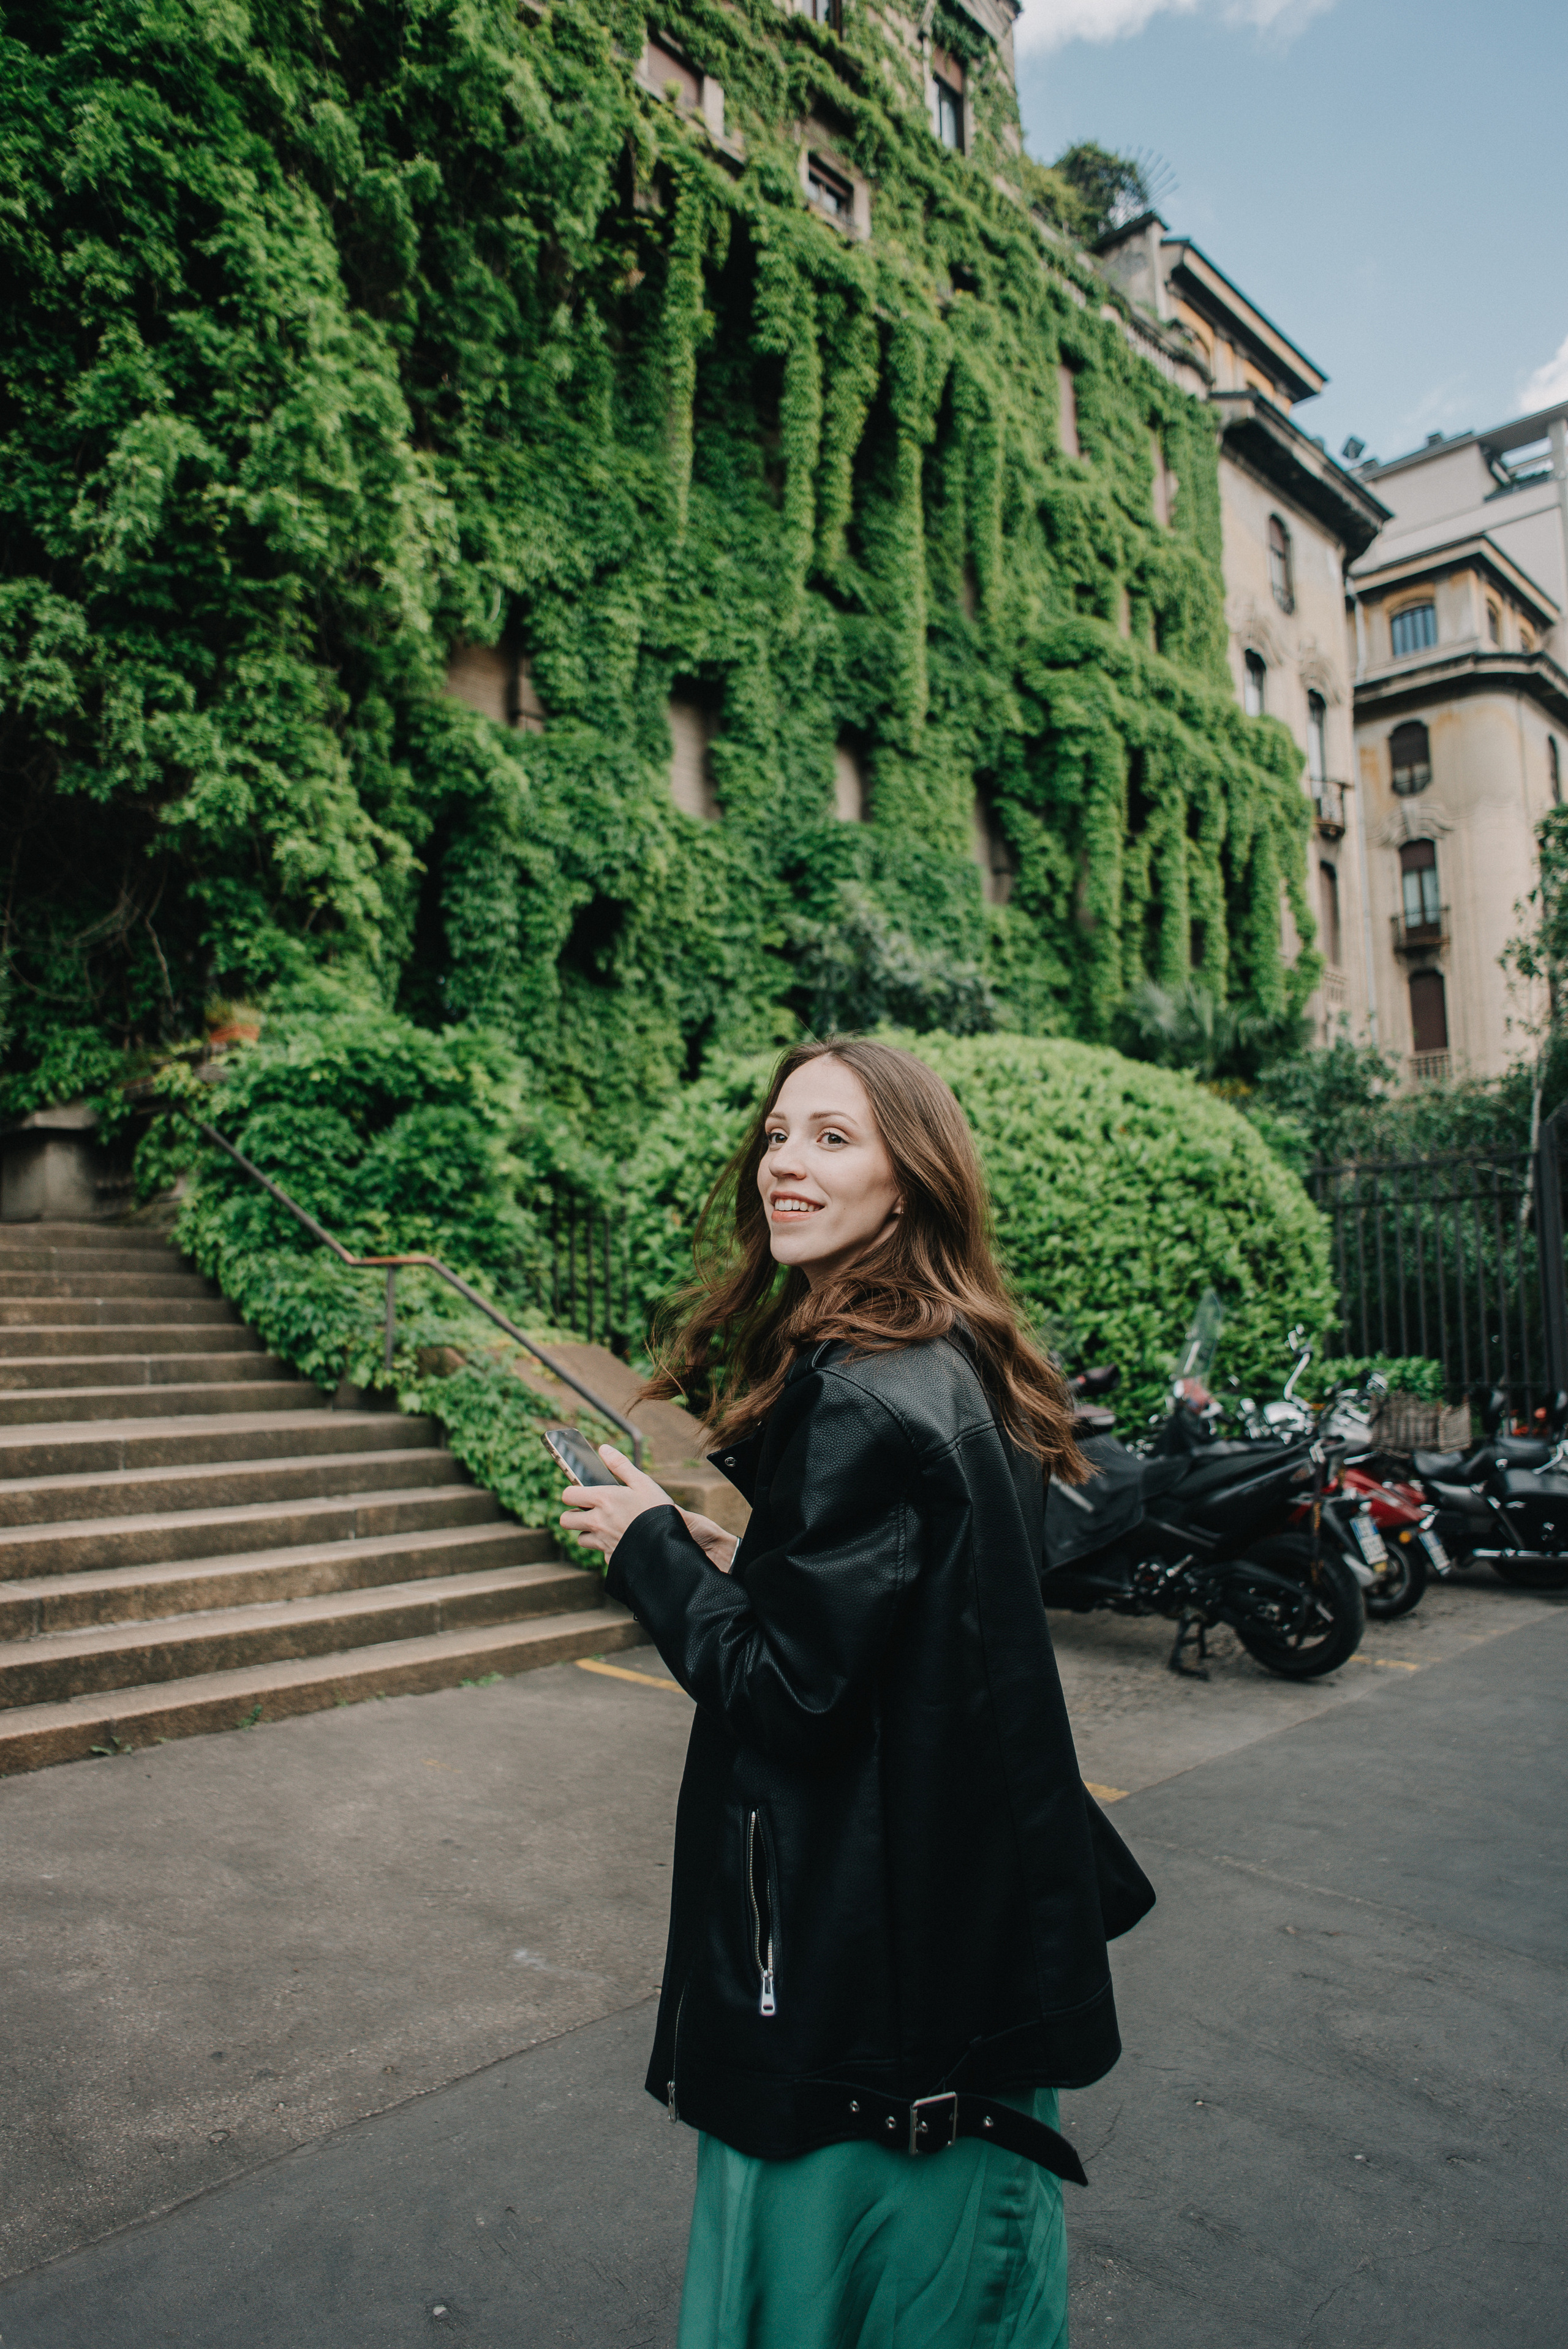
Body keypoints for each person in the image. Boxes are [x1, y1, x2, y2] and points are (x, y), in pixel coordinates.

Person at [559, 1036, 1152, 2348]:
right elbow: (909, 1612)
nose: (784, 1164)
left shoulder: (862, 1392)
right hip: (948, 1920)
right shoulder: (942, 1357)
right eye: (776, 1134)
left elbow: (788, 1697)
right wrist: (742, 1556)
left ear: (907, 1180)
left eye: (831, 1140)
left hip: (860, 1963)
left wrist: (647, 1550)